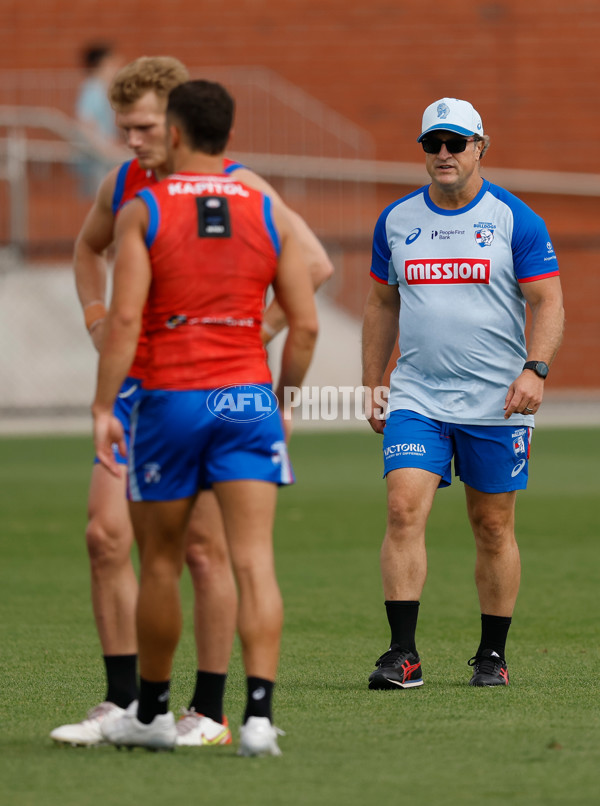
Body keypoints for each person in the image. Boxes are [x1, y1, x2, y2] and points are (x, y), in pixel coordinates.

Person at [50, 56, 332, 748]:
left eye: (144, 127)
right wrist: (96, 317)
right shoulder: (125, 184)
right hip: (146, 385)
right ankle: (126, 705)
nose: (132, 141)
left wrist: (239, 336)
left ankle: (205, 711)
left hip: (196, 388)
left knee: (203, 552)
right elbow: (88, 251)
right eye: (124, 128)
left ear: (177, 122)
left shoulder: (240, 185)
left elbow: (316, 265)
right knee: (106, 536)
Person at [362, 97, 564, 690]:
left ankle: (491, 656)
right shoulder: (397, 221)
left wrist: (536, 369)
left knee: (492, 526)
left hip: (498, 400)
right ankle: (403, 656)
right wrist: (374, 381)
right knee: (403, 509)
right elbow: (380, 303)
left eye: (455, 143)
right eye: (432, 144)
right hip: (417, 396)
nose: (444, 154)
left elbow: (548, 301)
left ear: (481, 147)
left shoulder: (513, 218)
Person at [74, 44, 122, 196]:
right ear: (103, 64)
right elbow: (84, 124)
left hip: (102, 157)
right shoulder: (92, 90)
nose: (117, 68)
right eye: (113, 63)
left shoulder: (99, 89)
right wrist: (105, 150)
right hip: (97, 159)